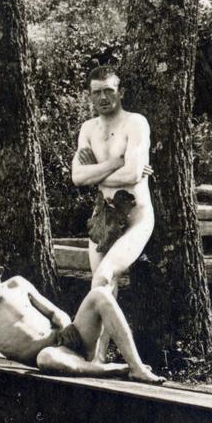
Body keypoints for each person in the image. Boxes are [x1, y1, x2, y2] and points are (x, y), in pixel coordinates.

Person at [0, 241, 163, 383]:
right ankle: (111, 369)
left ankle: (136, 367)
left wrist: (65, 326)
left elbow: (56, 313)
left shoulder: (18, 285)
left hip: (71, 341)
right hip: (51, 358)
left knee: (100, 293)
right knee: (45, 357)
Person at [71, 65, 154, 360]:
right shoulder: (88, 129)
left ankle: (119, 359)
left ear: (121, 92)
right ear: (90, 96)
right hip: (103, 216)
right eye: (96, 92)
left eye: (109, 90)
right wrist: (113, 164)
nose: (103, 97)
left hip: (136, 217)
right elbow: (77, 178)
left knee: (104, 277)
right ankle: (99, 357)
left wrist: (97, 172)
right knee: (103, 284)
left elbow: (133, 175)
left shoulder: (136, 123)